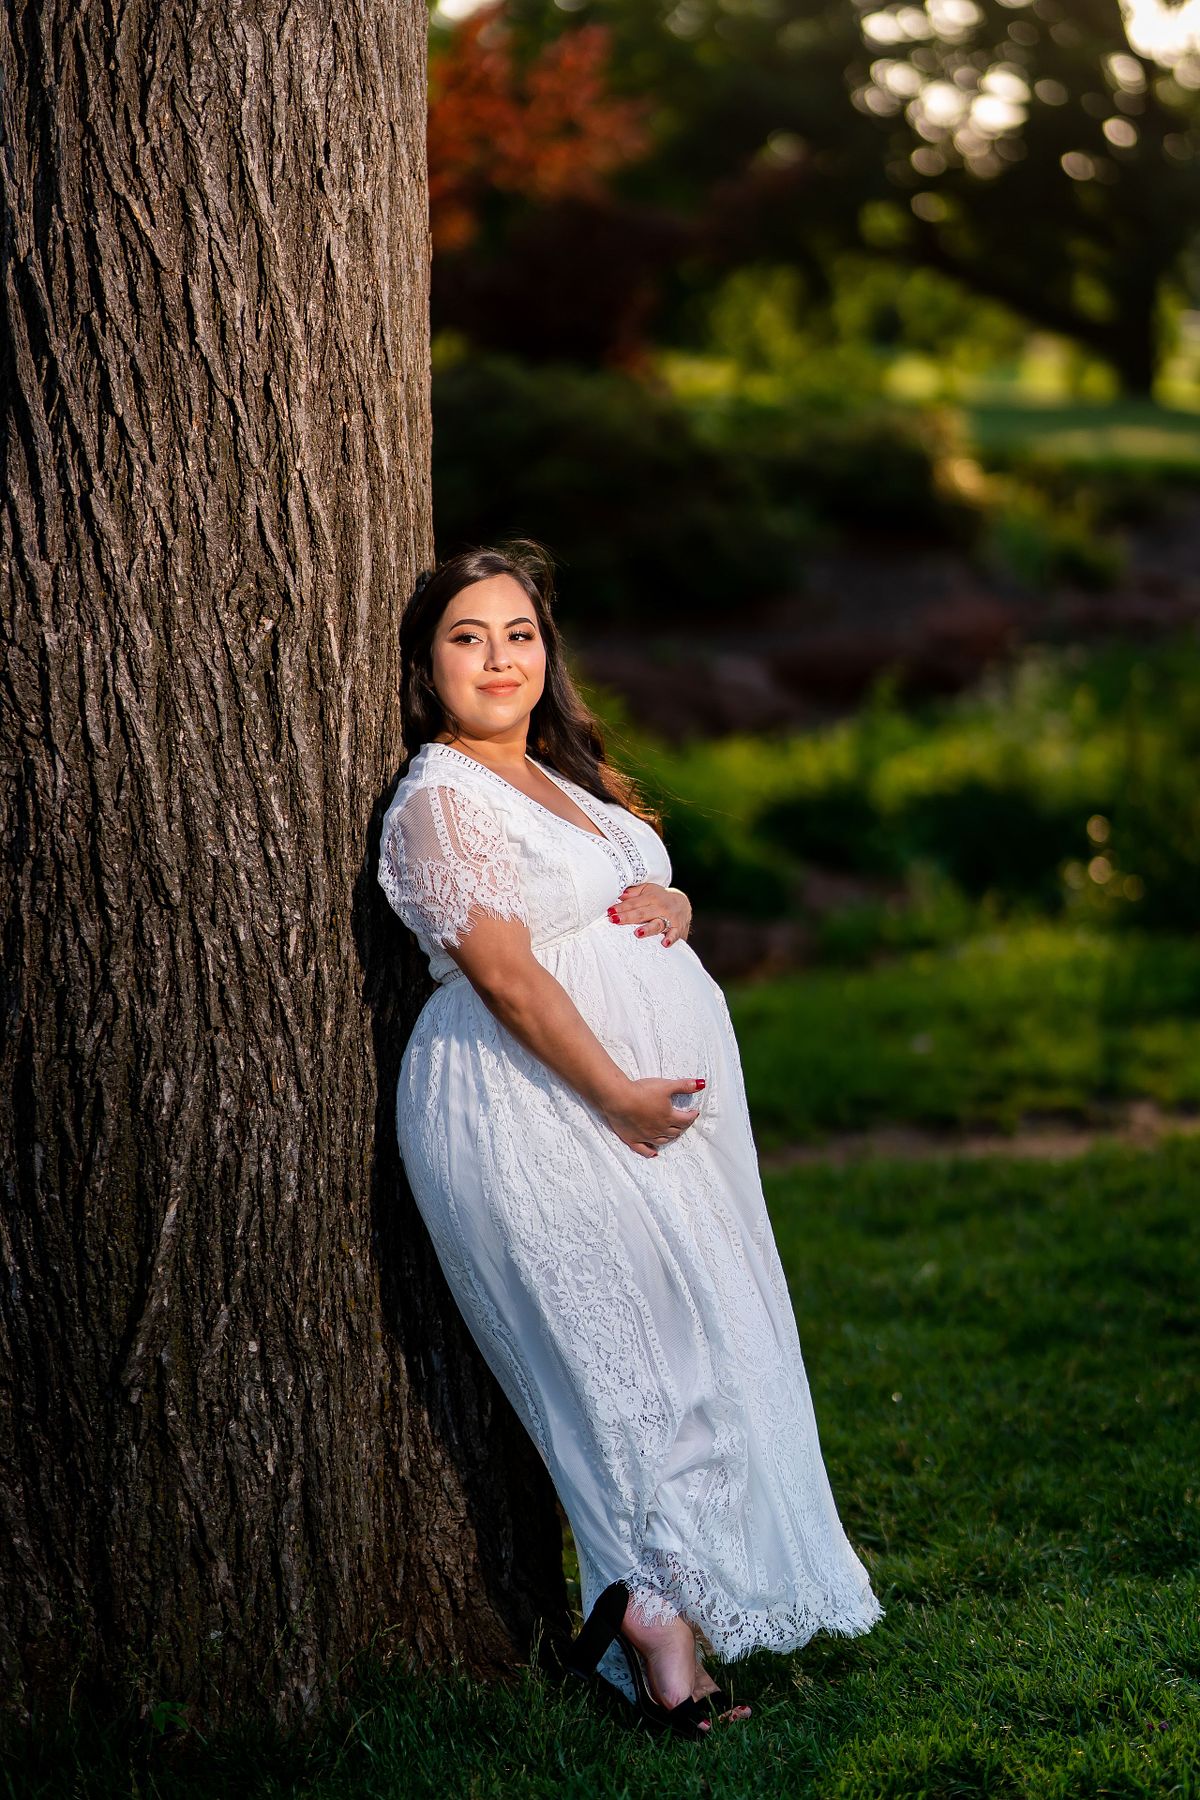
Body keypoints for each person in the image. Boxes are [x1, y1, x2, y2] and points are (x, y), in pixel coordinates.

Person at [377, 540, 883, 1740]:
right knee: (624, 1365)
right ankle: (652, 1617)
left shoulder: (559, 773)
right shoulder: (440, 796)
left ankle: (666, 1605)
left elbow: (614, 895)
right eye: (467, 637)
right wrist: (614, 1092)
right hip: (534, 1109)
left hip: (632, 1115)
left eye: (519, 634)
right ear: (424, 663)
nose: (499, 659)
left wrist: (673, 901)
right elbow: (503, 976)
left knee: (689, 1349)